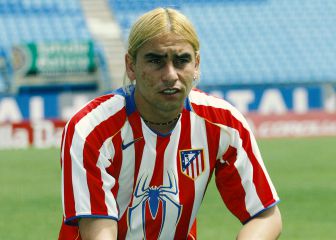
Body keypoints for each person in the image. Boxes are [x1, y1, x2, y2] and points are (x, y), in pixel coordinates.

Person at [58, 7, 282, 240]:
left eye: (181, 60)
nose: (170, 75)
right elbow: (99, 233)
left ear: (196, 64)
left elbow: (265, 215)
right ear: (131, 65)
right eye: (156, 61)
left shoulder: (224, 123)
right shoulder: (91, 129)